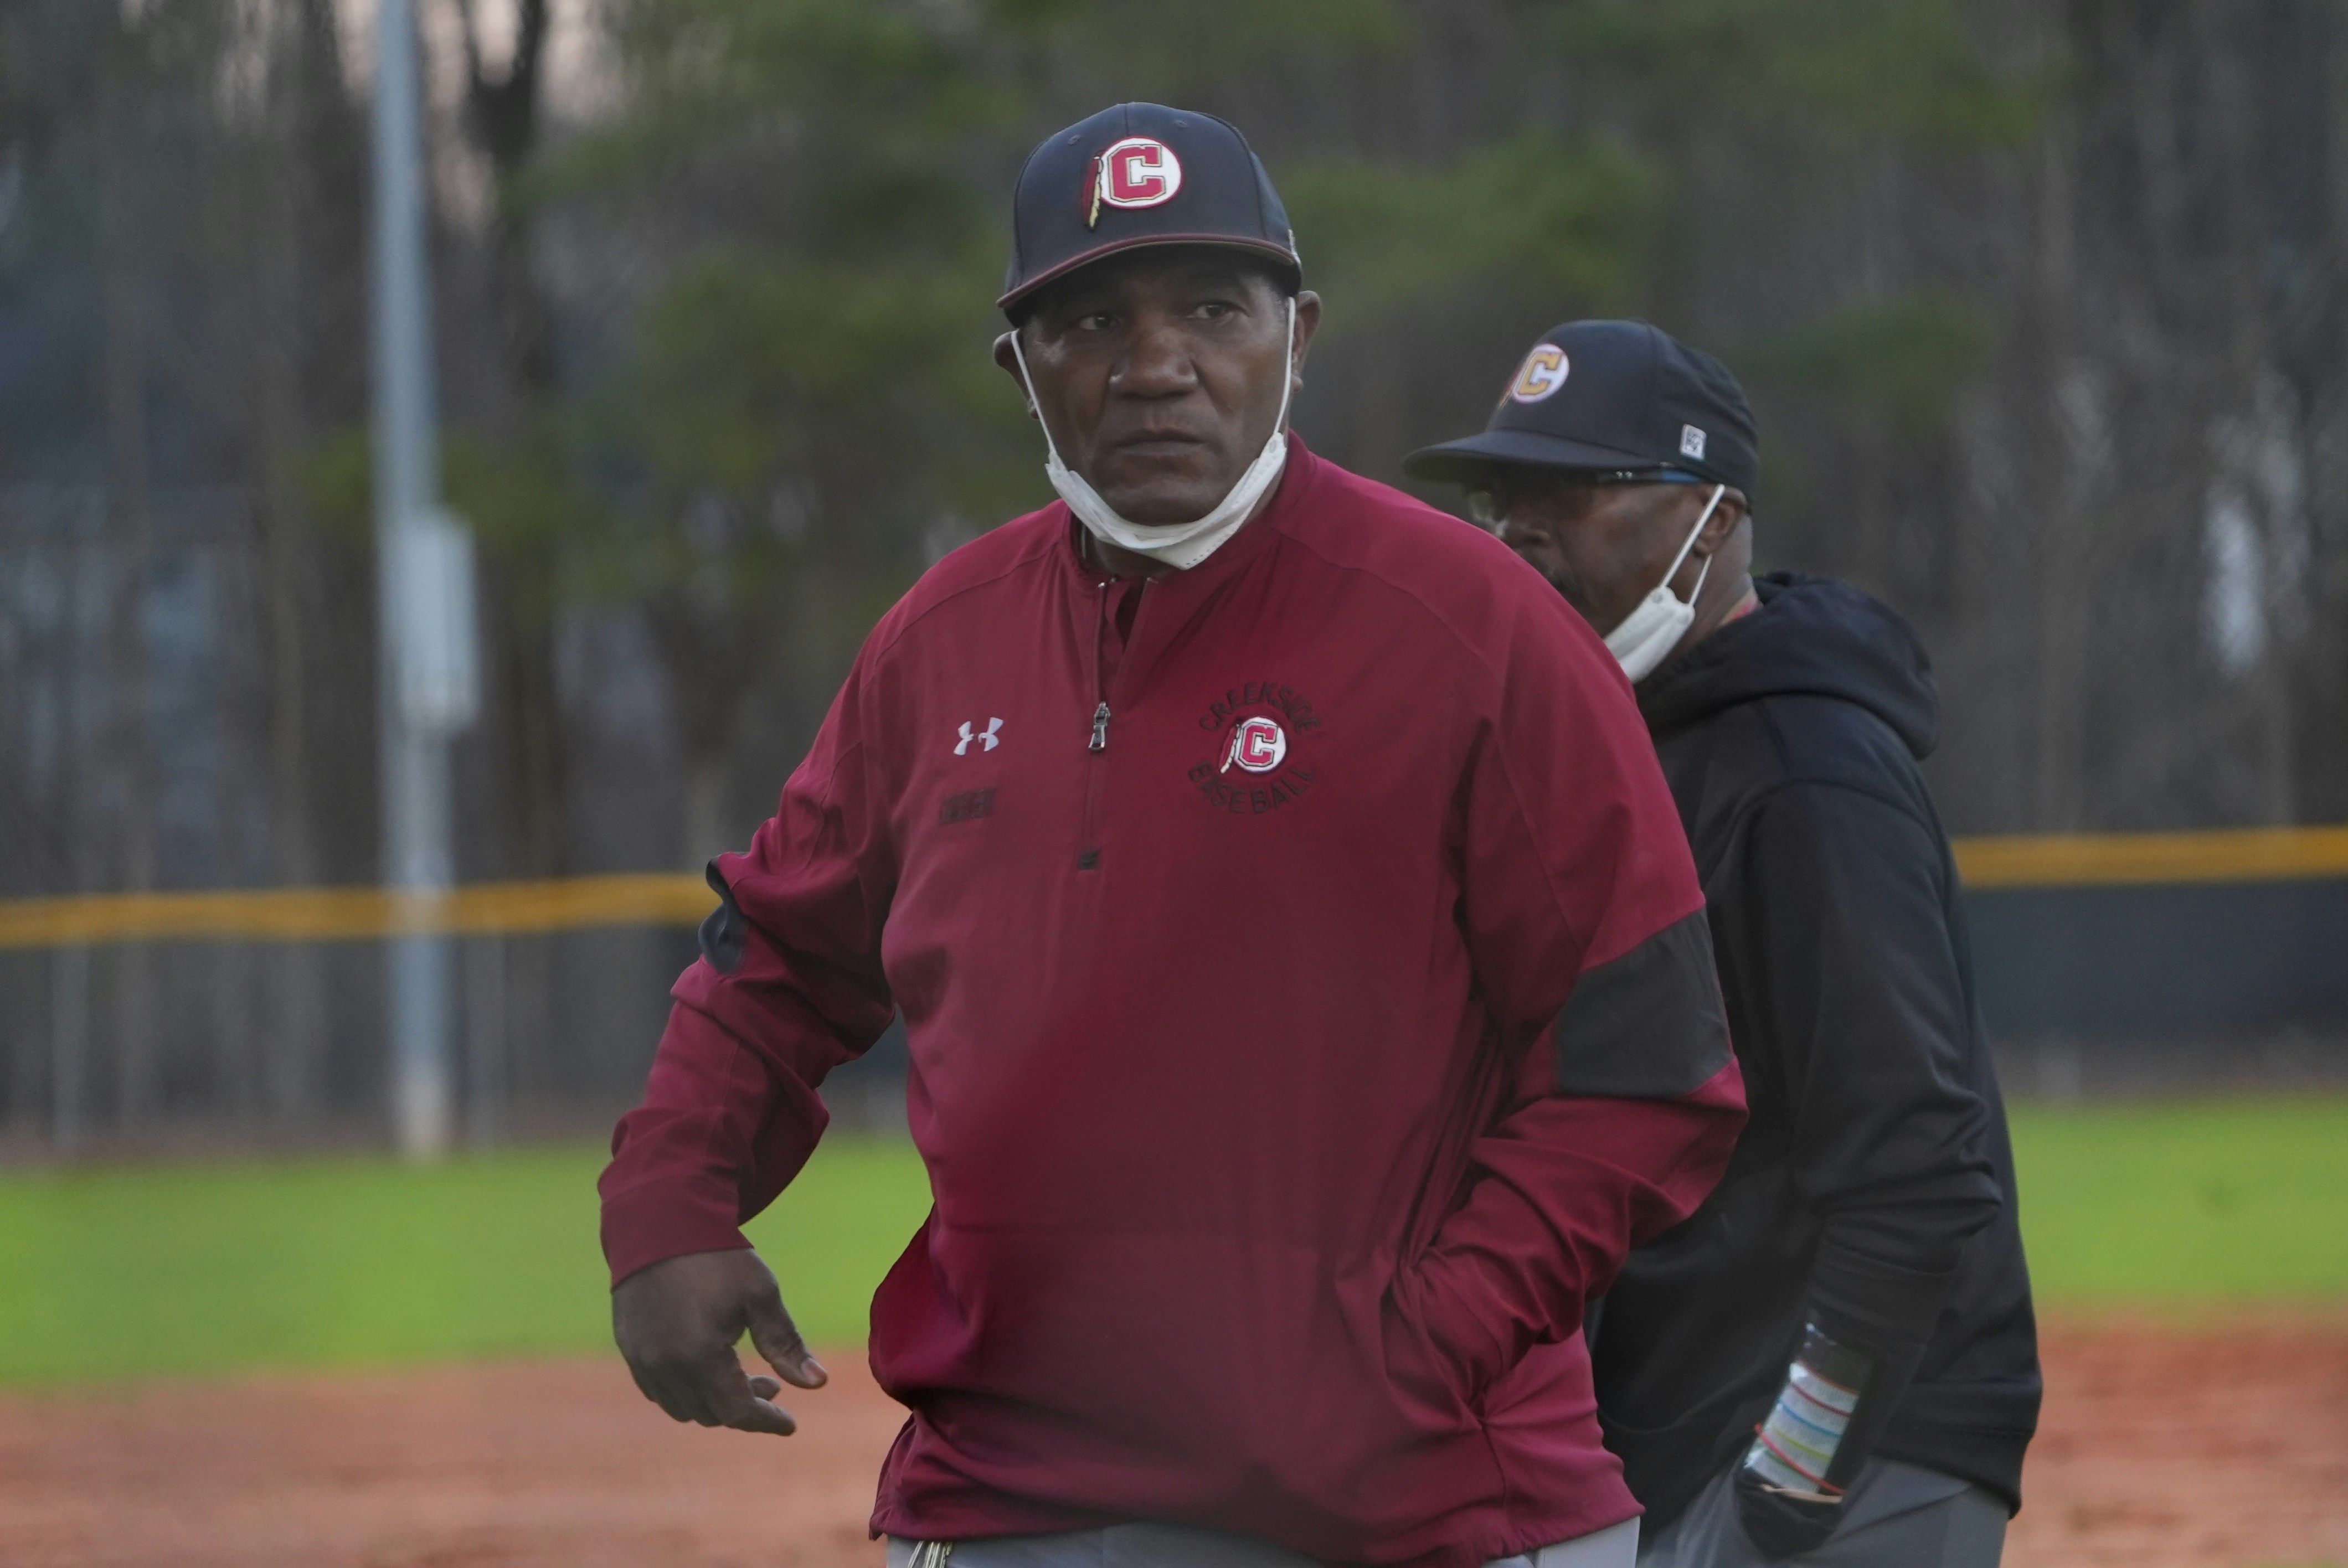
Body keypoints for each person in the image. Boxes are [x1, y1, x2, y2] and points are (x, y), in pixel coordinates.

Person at [598, 110, 1747, 1568]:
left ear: (1299, 334)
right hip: (1010, 1496)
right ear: (1022, 367)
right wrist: (666, 1209)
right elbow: (774, 962)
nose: (1155, 366)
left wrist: (1418, 1348)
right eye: (1090, 320)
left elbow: (1651, 1075)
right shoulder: (939, 644)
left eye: (1213, 309)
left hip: (1419, 1513)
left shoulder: (1477, 629)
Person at [1405, 319, 2040, 1566]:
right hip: (1698, 1440)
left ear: (1712, 520)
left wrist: (1793, 1485)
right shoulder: (1616, 755)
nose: (1520, 528)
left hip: (1847, 1457)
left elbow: (1914, 1165)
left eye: (1573, 489)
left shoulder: (1803, 776)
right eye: (1501, 497)